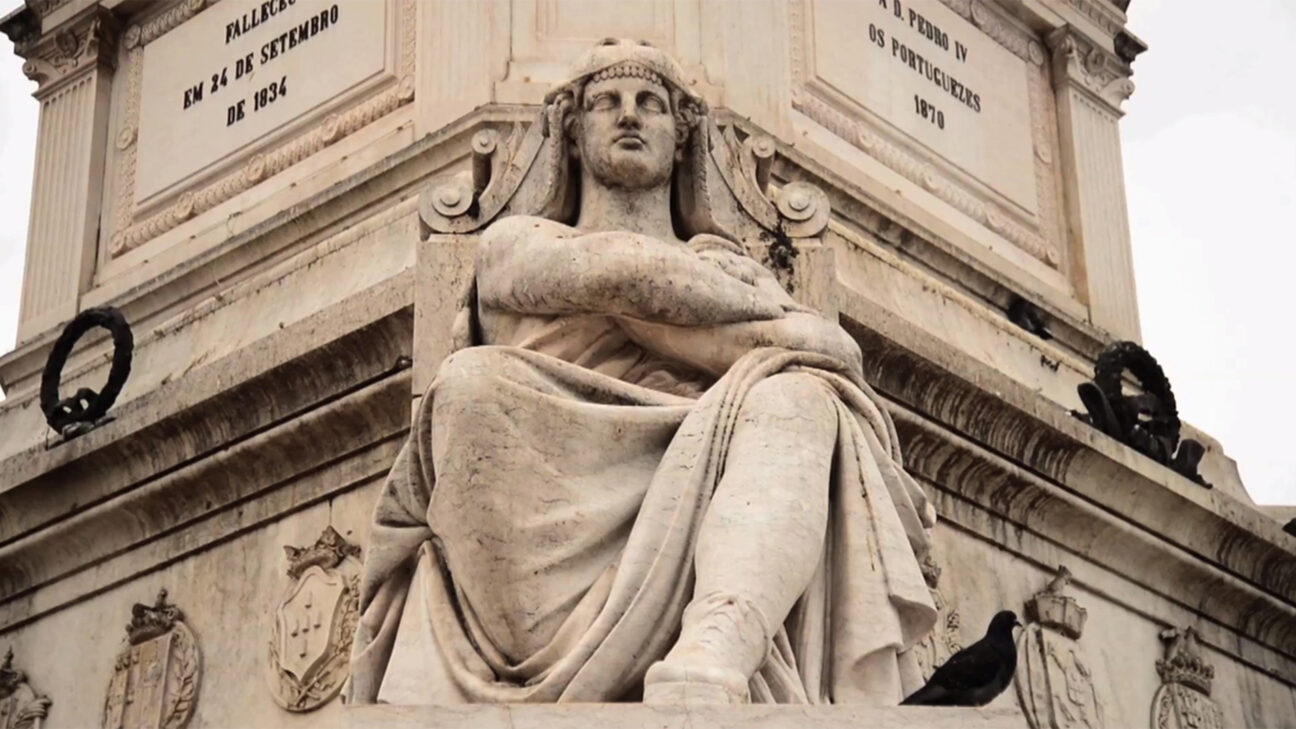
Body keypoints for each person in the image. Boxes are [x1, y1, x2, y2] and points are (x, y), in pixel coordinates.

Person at [348, 39, 937, 706]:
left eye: (650, 103)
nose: (629, 114)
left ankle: (719, 638)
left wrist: (709, 316)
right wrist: (755, 322)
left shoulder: (728, 266)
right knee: (469, 382)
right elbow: (621, 276)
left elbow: (838, 354)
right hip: (543, 483)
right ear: (571, 135)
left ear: (682, 138)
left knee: (803, 398)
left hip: (705, 452)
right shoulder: (516, 242)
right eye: (607, 101)